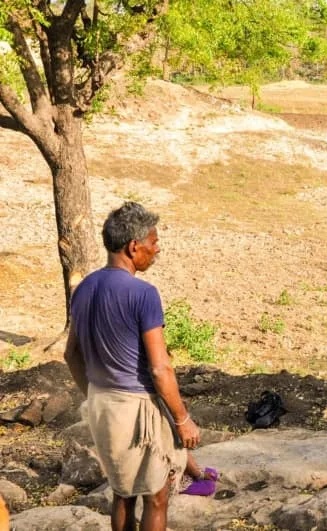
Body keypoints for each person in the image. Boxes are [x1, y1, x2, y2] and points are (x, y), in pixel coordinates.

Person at [64, 202, 200, 531]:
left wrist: (95, 395)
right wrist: (183, 419)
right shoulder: (143, 294)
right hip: (138, 409)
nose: (157, 249)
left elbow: (71, 354)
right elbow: (160, 370)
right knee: (156, 496)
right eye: (153, 242)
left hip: (101, 404)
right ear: (133, 246)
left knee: (122, 493)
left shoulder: (83, 289)